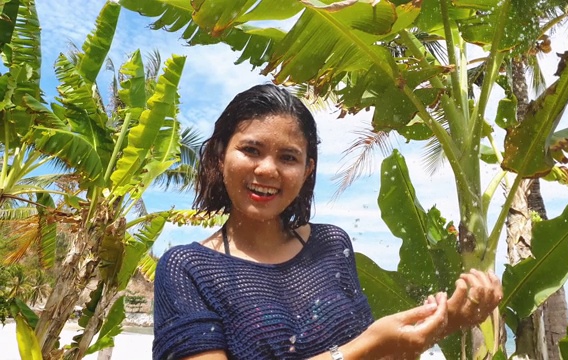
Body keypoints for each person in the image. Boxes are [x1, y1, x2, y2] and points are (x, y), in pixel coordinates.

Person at [152, 84, 502, 360]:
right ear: (219, 155)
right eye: (251, 150)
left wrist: (445, 322)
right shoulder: (188, 269)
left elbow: (378, 355)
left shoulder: (332, 246)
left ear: (307, 171)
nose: (268, 169)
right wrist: (360, 348)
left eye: (288, 157)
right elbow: (365, 348)